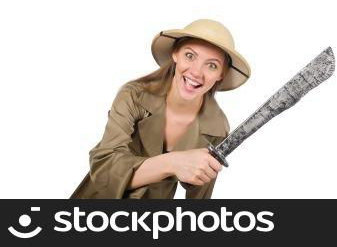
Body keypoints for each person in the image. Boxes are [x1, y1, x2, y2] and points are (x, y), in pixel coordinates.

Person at [72, 19, 250, 198]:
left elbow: (199, 200)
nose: (196, 72)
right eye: (190, 56)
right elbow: (104, 170)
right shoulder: (134, 96)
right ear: (175, 54)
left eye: (212, 65)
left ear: (221, 74)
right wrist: (172, 163)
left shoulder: (216, 127)